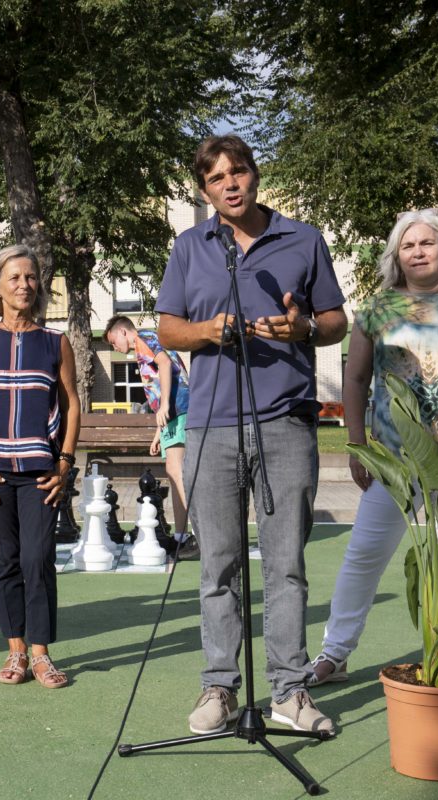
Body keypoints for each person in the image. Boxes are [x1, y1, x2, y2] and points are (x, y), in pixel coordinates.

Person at [155, 135, 347, 735]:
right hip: (212, 425)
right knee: (218, 564)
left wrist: (303, 327)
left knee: (286, 562)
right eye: (216, 178)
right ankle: (219, 687)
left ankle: (290, 691)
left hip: (286, 420)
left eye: (238, 172)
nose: (229, 184)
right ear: (205, 190)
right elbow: (165, 329)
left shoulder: (303, 239)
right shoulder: (190, 246)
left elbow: (336, 320)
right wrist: (208, 331)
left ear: (255, 175)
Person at [309, 209, 438, 687]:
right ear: (395, 256)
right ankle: (333, 654)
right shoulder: (378, 310)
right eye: (408, 245)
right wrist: (357, 445)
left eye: (428, 243)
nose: (418, 251)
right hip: (397, 458)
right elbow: (356, 380)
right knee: (364, 554)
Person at [0, 245, 81, 688]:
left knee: (38, 557)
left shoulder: (55, 342)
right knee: (4, 558)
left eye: (31, 277)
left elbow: (71, 404)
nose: (24, 285)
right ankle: (16, 652)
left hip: (42, 471)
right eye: (14, 278)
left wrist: (65, 462)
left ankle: (43, 655)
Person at [103, 315, 198, 561]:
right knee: (173, 472)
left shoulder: (144, 338)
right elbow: (163, 379)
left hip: (179, 408)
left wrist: (165, 404)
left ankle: (199, 535)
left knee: (178, 472)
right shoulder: (145, 344)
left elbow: (165, 364)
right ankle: (181, 536)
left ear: (123, 332)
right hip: (173, 413)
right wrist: (159, 430)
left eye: (113, 341)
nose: (114, 347)